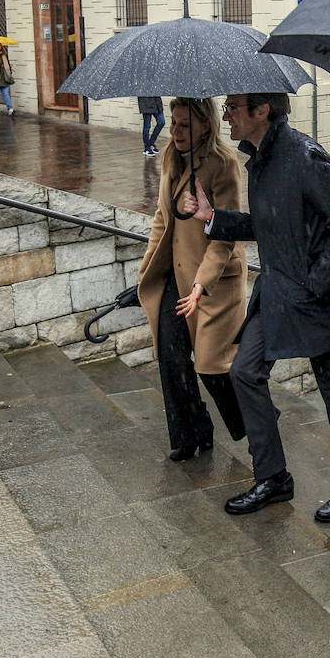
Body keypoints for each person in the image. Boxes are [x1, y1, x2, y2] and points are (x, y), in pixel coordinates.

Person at [185, 93, 330, 521]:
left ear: (262, 111)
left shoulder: (305, 156)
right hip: (277, 294)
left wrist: (315, 283)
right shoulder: (261, 157)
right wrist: (214, 218)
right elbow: (270, 225)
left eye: (234, 107)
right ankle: (273, 478)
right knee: (245, 372)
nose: (227, 115)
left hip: (318, 300)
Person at [138, 97, 247, 461]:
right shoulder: (171, 155)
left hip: (213, 279)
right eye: (173, 122)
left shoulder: (223, 164)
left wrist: (203, 282)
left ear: (205, 125)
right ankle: (189, 433)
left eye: (184, 125)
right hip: (176, 274)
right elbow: (161, 217)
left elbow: (226, 235)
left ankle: (254, 420)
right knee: (170, 357)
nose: (176, 131)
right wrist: (149, 266)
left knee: (212, 367)